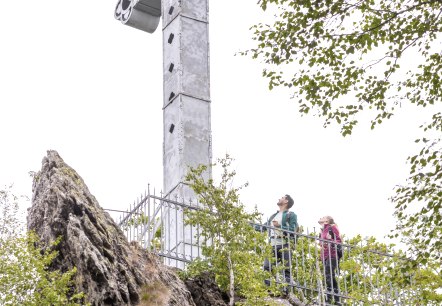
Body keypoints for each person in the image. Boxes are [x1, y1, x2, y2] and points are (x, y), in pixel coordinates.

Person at [260, 194, 298, 292]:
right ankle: (268, 289)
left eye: (282, 197)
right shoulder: (273, 216)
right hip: (272, 244)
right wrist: (247, 223)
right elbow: (263, 227)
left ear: (286, 201)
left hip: (285, 243)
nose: (279, 198)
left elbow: (293, 230)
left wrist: (279, 226)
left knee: (286, 269)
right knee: (267, 267)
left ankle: (287, 291)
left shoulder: (291, 215)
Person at [318, 216, 342, 305]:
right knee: (329, 275)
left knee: (328, 274)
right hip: (324, 255)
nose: (321, 217)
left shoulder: (332, 227)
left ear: (327, 220)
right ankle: (337, 299)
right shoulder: (322, 230)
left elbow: (338, 240)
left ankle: (329, 298)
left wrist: (329, 240)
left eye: (323, 217)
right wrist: (322, 243)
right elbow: (321, 243)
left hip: (332, 254)